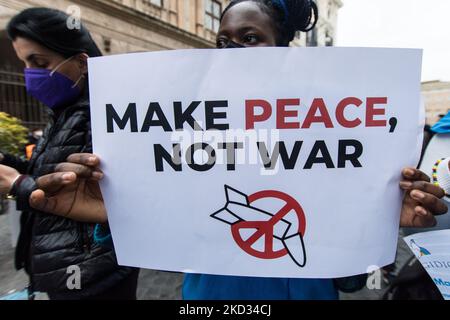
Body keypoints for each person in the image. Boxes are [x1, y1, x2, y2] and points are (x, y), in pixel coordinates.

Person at [24, 0, 448, 299]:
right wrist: (110, 211)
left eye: (250, 38)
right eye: (223, 41)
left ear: (284, 50)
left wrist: (380, 222)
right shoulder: (184, 130)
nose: (232, 52)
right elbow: (165, 240)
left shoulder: (332, 133)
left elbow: (354, 282)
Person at [0, 8, 138, 300]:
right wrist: (11, 164)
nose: (31, 74)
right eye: (25, 63)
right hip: (54, 267)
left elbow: (96, 197)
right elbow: (49, 172)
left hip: (91, 276)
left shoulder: (111, 117)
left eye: (39, 62)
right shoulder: (64, 112)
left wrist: (19, 185)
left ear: (81, 62)